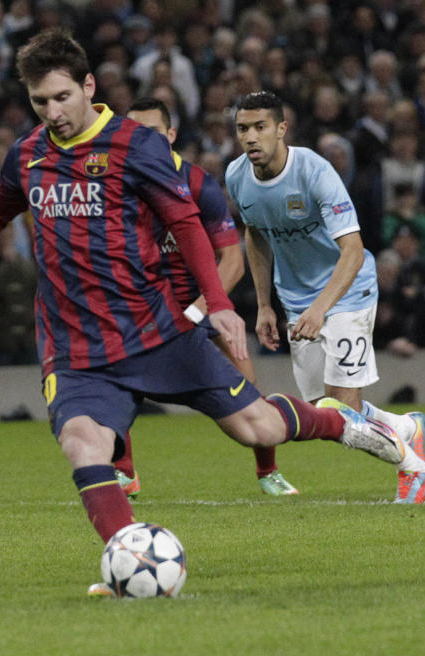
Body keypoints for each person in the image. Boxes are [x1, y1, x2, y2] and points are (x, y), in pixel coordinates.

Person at [0, 30, 414, 598]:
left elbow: (187, 222)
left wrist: (217, 304)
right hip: (77, 347)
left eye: (63, 97)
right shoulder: (29, 154)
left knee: (257, 427)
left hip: (156, 330)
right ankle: (127, 560)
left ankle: (344, 423)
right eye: (41, 102)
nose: (53, 112)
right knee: (82, 444)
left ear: (89, 86)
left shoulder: (134, 147)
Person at [226, 91, 425, 505]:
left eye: (260, 127)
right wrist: (265, 304)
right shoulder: (236, 175)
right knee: (323, 409)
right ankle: (407, 427)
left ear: (282, 129)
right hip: (297, 299)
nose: (250, 137)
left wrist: (322, 309)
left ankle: (413, 467)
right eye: (243, 129)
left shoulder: (314, 172)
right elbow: (256, 235)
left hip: (347, 291)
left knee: (339, 411)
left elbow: (353, 251)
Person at [123, 97, 299, 497]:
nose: (139, 142)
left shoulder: (199, 184)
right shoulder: (118, 188)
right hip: (145, 308)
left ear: (170, 135)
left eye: (150, 133)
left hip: (201, 305)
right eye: (132, 134)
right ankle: (123, 471)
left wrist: (199, 310)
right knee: (118, 382)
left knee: (248, 388)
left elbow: (233, 260)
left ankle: (267, 471)